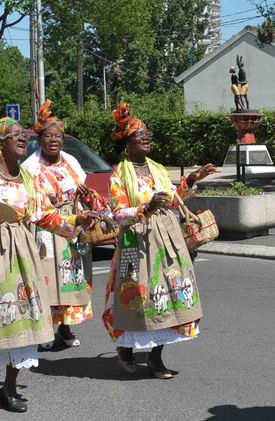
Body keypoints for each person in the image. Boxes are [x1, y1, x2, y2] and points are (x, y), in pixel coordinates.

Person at [0, 102, 96, 412]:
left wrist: (76, 224)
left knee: (23, 315)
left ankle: (8, 388)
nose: (24, 139)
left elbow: (45, 215)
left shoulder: (30, 179)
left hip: (23, 253)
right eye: (16, 136)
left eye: (24, 135)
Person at [102, 103, 216, 379]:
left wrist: (190, 179)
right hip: (137, 243)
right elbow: (116, 215)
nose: (147, 137)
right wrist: (146, 208)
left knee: (169, 296)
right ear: (127, 143)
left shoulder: (158, 169)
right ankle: (126, 347)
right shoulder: (119, 175)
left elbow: (174, 200)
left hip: (166, 239)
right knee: (137, 298)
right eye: (140, 135)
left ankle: (155, 357)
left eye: (148, 134)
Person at [23, 99, 106, 348]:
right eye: (48, 136)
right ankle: (46, 327)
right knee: (47, 277)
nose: (54, 141)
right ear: (40, 140)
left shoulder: (71, 162)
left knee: (70, 277)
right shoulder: (30, 167)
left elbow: (84, 193)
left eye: (58, 136)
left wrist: (84, 194)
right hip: (46, 227)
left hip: (73, 226)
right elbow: (32, 204)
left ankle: (65, 326)